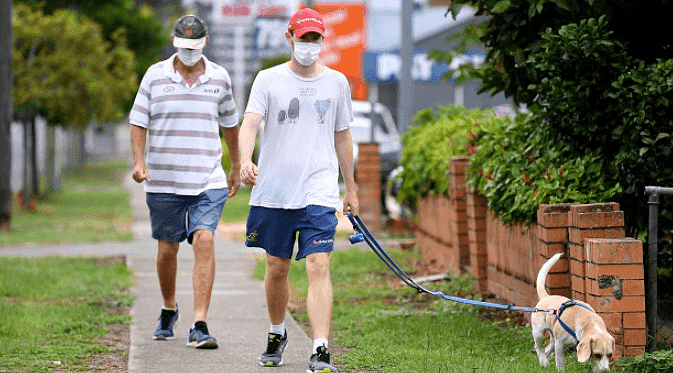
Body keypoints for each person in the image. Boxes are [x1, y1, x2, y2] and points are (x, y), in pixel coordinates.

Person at [239, 8, 358, 373]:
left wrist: (350, 188)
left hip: (319, 190)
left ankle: (320, 349)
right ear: (290, 37)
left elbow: (343, 136)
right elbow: (250, 124)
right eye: (303, 38)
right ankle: (278, 332)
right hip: (274, 191)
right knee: (276, 268)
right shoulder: (268, 79)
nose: (309, 45)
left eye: (315, 39)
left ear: (322, 41)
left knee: (319, 265)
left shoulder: (337, 82)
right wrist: (245, 159)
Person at [129, 15, 240, 349]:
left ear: (205, 43)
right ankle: (168, 307)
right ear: (173, 41)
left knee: (204, 240)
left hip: (207, 177)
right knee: (167, 249)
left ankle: (200, 324)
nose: (189, 52)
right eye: (183, 46)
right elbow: (138, 121)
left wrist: (236, 166)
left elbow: (231, 125)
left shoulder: (220, 78)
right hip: (163, 179)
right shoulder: (154, 76)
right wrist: (139, 161)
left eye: (194, 46)